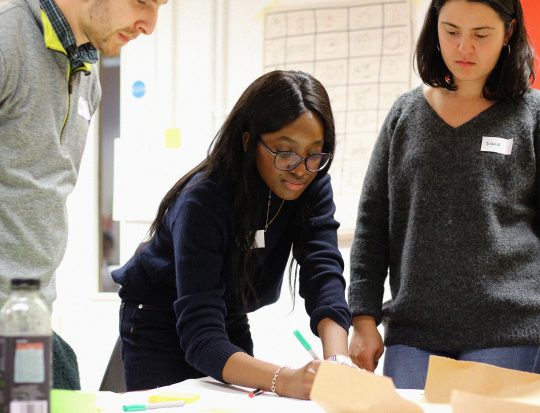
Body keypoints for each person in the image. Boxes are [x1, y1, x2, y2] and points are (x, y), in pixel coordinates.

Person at [347, 0, 540, 389]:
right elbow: (372, 225)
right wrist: (363, 320)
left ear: (508, 32)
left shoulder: (537, 114)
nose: (464, 48)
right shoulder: (405, 115)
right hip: (415, 333)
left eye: (481, 35)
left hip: (515, 330)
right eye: (451, 32)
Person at [112, 70, 352, 399]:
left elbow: (322, 269)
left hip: (226, 314)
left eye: (315, 153)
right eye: (286, 152)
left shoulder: (313, 182)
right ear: (248, 142)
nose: (301, 168)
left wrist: (338, 361)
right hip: (159, 318)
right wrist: (287, 379)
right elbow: (202, 339)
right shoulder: (205, 201)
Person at [0, 0, 167, 389]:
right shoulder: (8, 39)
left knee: (65, 379)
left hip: (28, 315)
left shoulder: (87, 73)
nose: (150, 25)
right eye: (142, 2)